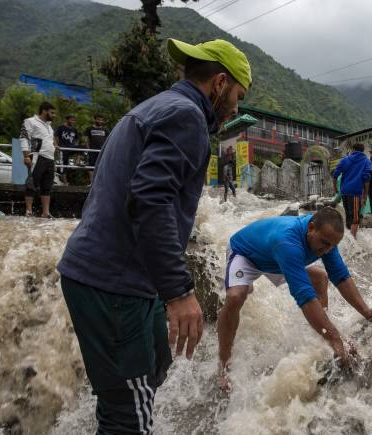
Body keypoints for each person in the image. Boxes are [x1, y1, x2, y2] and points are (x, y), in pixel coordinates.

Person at [57, 38, 252, 434]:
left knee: (154, 367)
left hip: (118, 278)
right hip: (114, 284)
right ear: (219, 83)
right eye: (237, 95)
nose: (236, 107)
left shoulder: (155, 107)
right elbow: (150, 198)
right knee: (130, 418)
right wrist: (179, 292)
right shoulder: (187, 118)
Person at [217, 208, 372, 390]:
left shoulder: (325, 239)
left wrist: (366, 311)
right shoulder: (288, 241)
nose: (326, 250)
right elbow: (305, 297)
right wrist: (336, 339)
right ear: (311, 228)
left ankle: (322, 336)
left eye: (332, 246)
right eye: (324, 243)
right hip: (246, 255)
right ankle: (224, 367)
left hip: (276, 260)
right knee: (236, 296)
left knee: (320, 278)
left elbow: (341, 276)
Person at [20, 101, 57, 218]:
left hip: (50, 159)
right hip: (37, 157)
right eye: (52, 113)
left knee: (47, 186)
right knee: (32, 183)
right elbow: (24, 138)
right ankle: (29, 211)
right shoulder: (30, 121)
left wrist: (55, 146)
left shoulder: (49, 126)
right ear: (44, 111)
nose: (53, 115)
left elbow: (48, 140)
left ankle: (45, 212)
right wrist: (26, 156)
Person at [332, 143, 372, 238]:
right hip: (355, 193)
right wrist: (365, 196)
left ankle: (349, 240)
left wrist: (336, 189)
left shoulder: (344, 160)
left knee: (349, 218)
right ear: (363, 151)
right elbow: (366, 179)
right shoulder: (366, 161)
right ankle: (353, 243)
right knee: (355, 220)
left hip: (344, 193)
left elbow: (335, 175)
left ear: (353, 149)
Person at [83, 114, 110, 185]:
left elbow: (108, 140)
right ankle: (92, 182)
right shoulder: (89, 128)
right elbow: (86, 139)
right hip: (92, 150)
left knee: (102, 166)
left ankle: (101, 182)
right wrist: (88, 149)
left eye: (101, 120)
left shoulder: (105, 129)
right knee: (91, 166)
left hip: (102, 151)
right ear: (94, 120)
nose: (100, 121)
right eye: (98, 119)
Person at [55, 114, 81, 185]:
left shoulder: (74, 129)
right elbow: (56, 136)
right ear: (67, 120)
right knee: (64, 165)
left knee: (81, 147)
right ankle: (65, 182)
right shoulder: (61, 127)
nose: (73, 121)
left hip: (72, 147)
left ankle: (77, 161)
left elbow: (77, 138)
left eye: (74, 120)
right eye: (71, 120)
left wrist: (76, 144)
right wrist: (57, 145)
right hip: (63, 148)